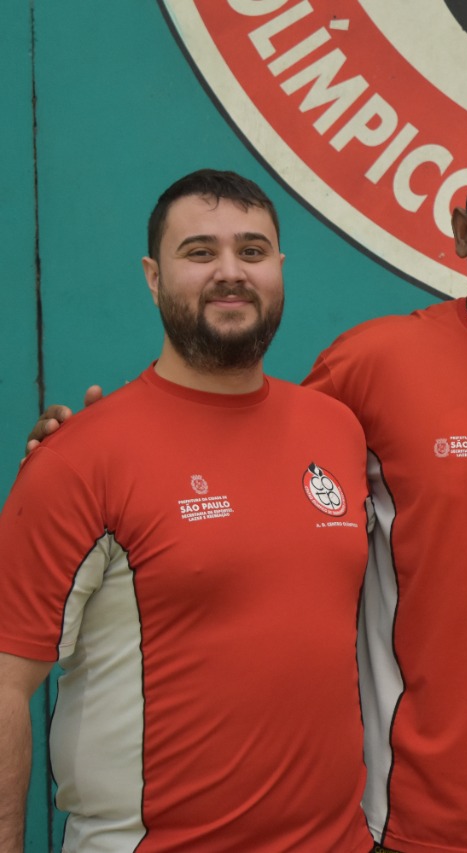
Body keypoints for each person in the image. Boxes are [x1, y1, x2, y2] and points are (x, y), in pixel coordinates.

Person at [25, 145, 467, 853]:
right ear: (460, 230)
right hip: (415, 824)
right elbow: (244, 449)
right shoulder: (373, 364)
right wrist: (88, 450)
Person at [0, 170, 372, 851]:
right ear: (152, 274)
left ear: (279, 268)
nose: (230, 272)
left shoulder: (337, 429)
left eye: (252, 251)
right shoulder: (81, 456)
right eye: (200, 252)